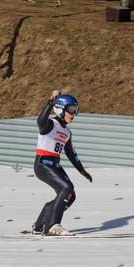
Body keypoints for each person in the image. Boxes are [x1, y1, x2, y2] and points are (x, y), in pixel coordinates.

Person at [33, 90, 93, 236]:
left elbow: (71, 153)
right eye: (71, 110)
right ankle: (52, 225)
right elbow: (40, 122)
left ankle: (40, 225)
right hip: (43, 164)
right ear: (60, 109)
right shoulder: (50, 125)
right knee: (66, 187)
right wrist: (49, 104)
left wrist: (81, 170)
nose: (74, 114)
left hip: (55, 165)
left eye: (76, 110)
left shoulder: (67, 132)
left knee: (70, 194)